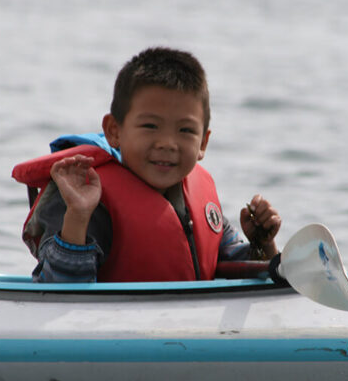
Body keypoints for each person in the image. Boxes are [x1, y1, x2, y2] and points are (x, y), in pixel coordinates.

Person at [14, 47, 281, 282]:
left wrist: (263, 244)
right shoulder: (81, 193)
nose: (167, 143)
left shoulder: (197, 197)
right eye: (150, 126)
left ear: (203, 144)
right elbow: (59, 288)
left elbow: (231, 264)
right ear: (114, 130)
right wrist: (77, 216)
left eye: (185, 130)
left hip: (184, 328)